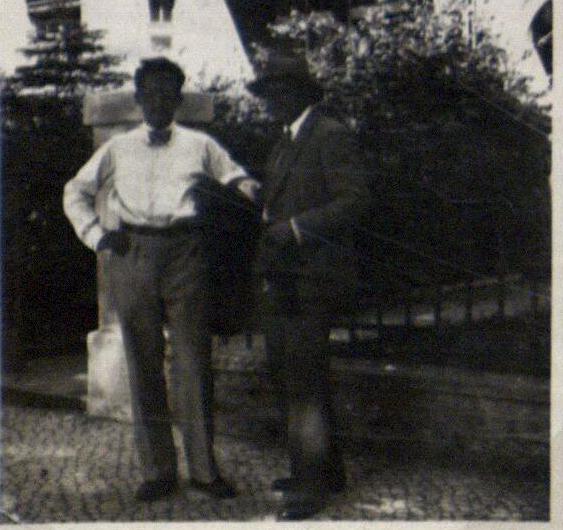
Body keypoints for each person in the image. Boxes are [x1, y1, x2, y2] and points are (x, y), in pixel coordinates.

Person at [63, 57, 259, 503]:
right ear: (138, 98)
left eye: (167, 92)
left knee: (193, 361)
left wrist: (253, 191)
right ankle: (157, 471)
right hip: (132, 253)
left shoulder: (200, 144)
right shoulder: (118, 148)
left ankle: (204, 471)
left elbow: (235, 177)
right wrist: (96, 235)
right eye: (149, 92)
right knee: (142, 361)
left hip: (186, 255)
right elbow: (75, 191)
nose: (158, 100)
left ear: (178, 99)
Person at [248, 54, 371, 521]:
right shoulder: (285, 140)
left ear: (301, 92)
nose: (270, 100)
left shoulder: (329, 134)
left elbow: (355, 201)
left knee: (303, 380)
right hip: (285, 276)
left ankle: (310, 485)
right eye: (266, 92)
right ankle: (326, 470)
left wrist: (297, 228)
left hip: (314, 277)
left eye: (278, 90)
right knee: (289, 373)